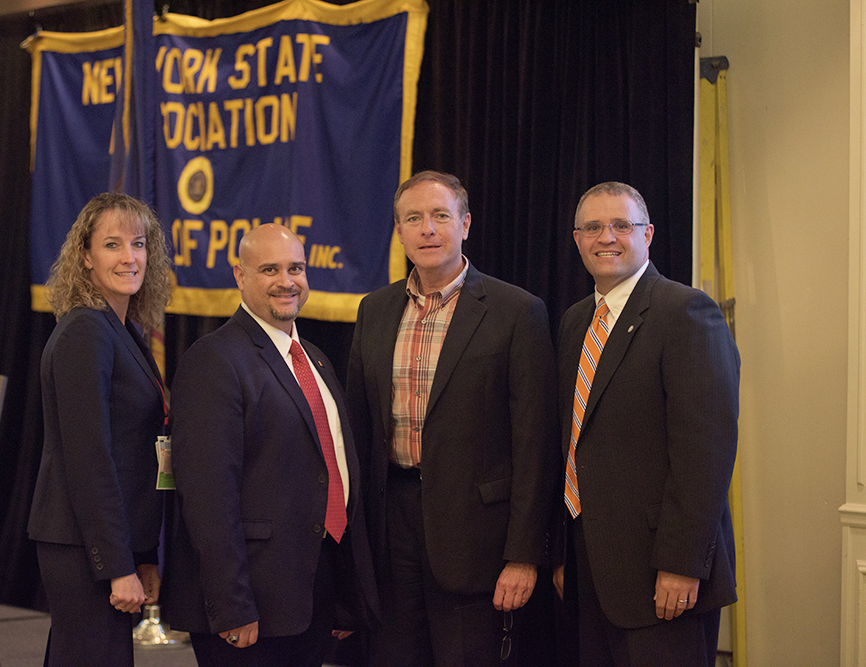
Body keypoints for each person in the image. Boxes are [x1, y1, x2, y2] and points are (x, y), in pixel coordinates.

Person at [346, 170, 559, 666]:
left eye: (440, 216)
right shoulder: (374, 310)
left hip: (478, 541)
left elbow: (536, 444)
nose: (427, 229)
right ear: (398, 232)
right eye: (413, 219)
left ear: (465, 224)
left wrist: (524, 554)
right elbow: (358, 431)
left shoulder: (516, 311)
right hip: (390, 529)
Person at [163, 223, 378, 667]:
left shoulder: (315, 358)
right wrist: (231, 605)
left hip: (312, 597)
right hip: (251, 606)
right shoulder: (215, 359)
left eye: (295, 268)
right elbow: (207, 498)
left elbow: (331, 470)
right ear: (240, 275)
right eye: (270, 269)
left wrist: (342, 591)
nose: (287, 281)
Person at [553, 182, 740, 666]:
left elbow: (706, 453)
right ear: (577, 240)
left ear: (648, 234)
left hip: (665, 577)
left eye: (621, 225)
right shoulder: (576, 321)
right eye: (592, 227)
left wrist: (680, 564)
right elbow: (575, 442)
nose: (606, 237)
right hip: (592, 569)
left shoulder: (685, 312)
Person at [28, 192, 171, 666]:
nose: (130, 257)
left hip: (106, 542)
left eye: (139, 244)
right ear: (85, 257)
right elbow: (90, 459)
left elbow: (136, 453)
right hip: (82, 547)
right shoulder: (86, 331)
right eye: (113, 245)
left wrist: (144, 554)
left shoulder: (123, 330)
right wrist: (115, 566)